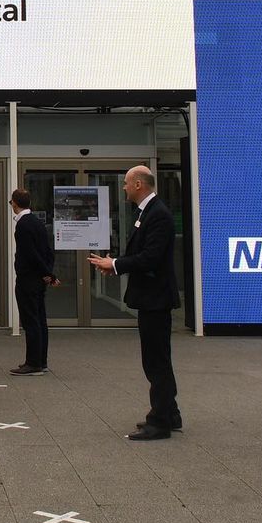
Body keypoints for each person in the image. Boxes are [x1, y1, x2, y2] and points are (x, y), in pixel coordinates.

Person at [89, 165, 181, 440]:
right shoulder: (147, 212)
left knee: (156, 362)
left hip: (156, 300)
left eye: (127, 183)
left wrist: (116, 264)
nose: (124, 188)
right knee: (156, 359)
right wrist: (116, 265)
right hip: (150, 299)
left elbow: (150, 258)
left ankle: (160, 422)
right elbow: (143, 254)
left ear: (139, 184)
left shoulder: (158, 214)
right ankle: (170, 413)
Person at [9, 189, 57, 375]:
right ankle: (41, 360)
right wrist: (48, 273)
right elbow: (47, 251)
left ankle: (33, 363)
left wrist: (48, 273)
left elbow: (30, 254)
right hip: (38, 279)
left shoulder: (22, 225)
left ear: (14, 203)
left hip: (28, 279)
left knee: (31, 321)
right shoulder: (38, 222)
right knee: (40, 320)